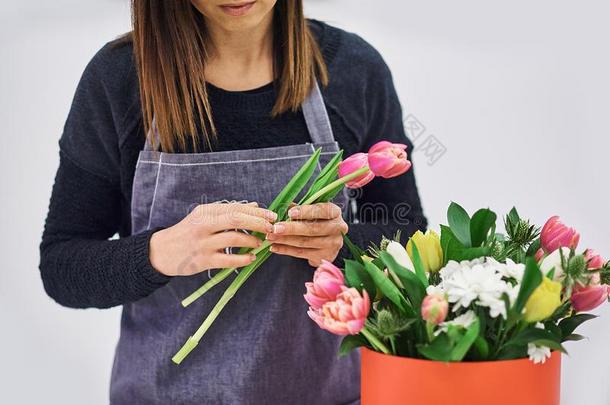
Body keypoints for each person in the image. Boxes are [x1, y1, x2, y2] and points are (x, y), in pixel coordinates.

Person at [39, 1, 426, 403]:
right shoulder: (118, 79)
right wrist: (159, 253)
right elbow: (62, 267)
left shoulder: (353, 69)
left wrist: (341, 248)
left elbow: (411, 236)